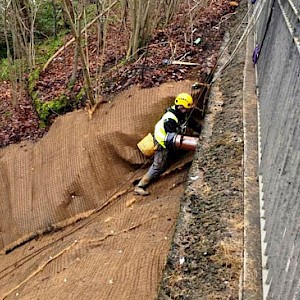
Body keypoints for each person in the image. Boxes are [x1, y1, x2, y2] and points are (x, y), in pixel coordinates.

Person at [134, 92, 201, 196]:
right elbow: (172, 138)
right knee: (159, 166)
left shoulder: (181, 113)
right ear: (179, 106)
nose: (187, 110)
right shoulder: (170, 119)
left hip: (169, 138)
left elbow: (192, 123)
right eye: (185, 108)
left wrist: (202, 130)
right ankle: (140, 186)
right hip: (162, 142)